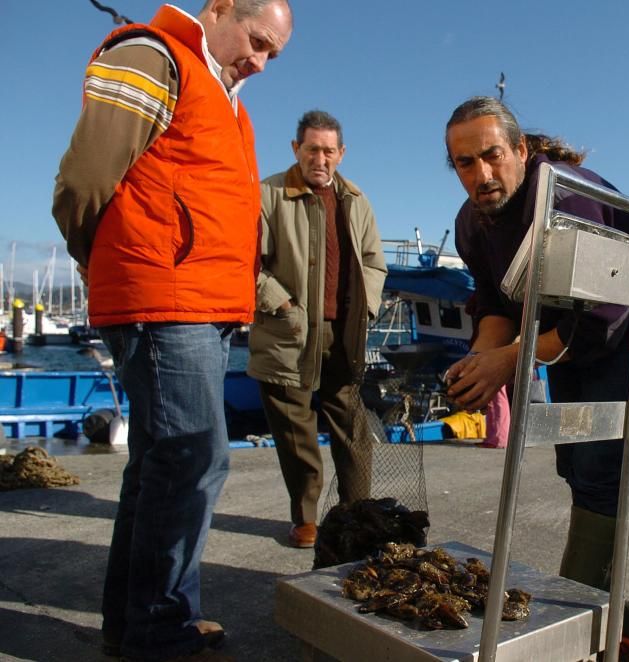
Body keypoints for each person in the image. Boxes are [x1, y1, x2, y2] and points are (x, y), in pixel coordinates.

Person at [51, 1, 292, 660]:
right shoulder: (155, 56)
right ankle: (160, 630)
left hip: (202, 304)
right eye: (257, 40)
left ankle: (136, 623)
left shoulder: (225, 96)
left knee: (160, 465)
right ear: (217, 10)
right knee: (193, 458)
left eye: (275, 52)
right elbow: (82, 181)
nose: (262, 61)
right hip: (166, 298)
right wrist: (109, 260)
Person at [442, 96, 629, 590]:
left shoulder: (566, 198)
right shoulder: (472, 222)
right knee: (571, 458)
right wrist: (480, 361)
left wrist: (508, 362)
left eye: (493, 155)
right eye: (466, 162)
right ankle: (584, 584)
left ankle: (583, 600)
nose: (482, 174)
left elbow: (602, 318)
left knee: (598, 464)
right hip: (559, 323)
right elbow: (494, 305)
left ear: (520, 149)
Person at [248, 110, 387, 549]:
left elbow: (373, 262)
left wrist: (365, 307)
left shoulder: (357, 201)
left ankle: (354, 515)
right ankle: (307, 518)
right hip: (286, 332)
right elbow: (246, 262)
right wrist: (282, 304)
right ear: (296, 149)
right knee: (296, 433)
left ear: (341, 154)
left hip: (341, 334)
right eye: (312, 149)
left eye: (329, 151)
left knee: (354, 430)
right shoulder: (268, 194)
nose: (320, 159)